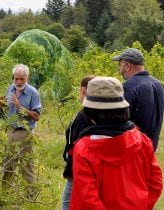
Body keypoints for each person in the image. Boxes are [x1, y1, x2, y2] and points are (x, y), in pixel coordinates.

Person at [69, 76, 163, 210]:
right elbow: (156, 183)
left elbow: (87, 199)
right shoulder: (142, 141)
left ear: (90, 113)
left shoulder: (84, 149)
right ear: (123, 109)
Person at [112, 48, 164, 151]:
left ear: (127, 66)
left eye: (120, 65)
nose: (120, 70)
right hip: (151, 150)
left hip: (133, 151)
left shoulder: (128, 87)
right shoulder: (159, 85)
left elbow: (118, 122)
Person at [1, 64, 41, 196]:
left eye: (21, 79)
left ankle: (31, 195)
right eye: (16, 79)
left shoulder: (33, 93)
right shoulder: (9, 89)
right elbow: (6, 107)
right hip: (10, 131)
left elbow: (37, 116)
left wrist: (20, 107)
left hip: (25, 132)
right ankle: (4, 193)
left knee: (26, 165)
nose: (18, 82)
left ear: (27, 78)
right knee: (7, 163)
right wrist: (0, 105)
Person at [62, 75, 95, 210]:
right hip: (88, 169)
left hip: (78, 170)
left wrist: (70, 169)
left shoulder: (83, 116)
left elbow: (76, 146)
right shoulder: (97, 114)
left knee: (67, 204)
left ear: (83, 90)